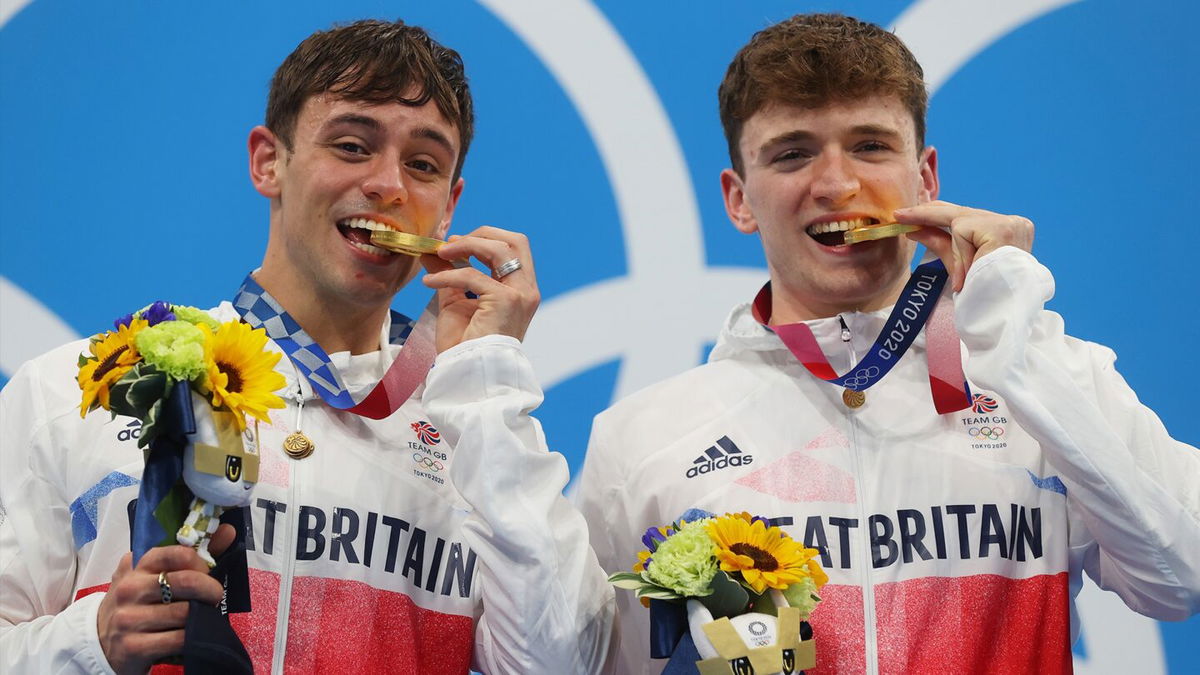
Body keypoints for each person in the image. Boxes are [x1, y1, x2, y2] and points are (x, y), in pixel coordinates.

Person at [577, 13, 1199, 675]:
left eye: (870, 146)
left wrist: (1022, 343)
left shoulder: (1041, 386)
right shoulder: (643, 438)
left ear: (926, 177)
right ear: (739, 200)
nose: (836, 184)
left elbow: (1180, 576)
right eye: (792, 153)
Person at [0, 19, 613, 674]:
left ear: (449, 208)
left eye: (424, 165)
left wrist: (489, 389)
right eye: (352, 146)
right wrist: (90, 642)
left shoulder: (474, 430)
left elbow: (564, 662)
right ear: (269, 161)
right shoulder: (85, 388)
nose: (390, 186)